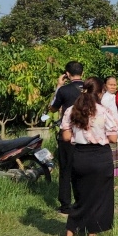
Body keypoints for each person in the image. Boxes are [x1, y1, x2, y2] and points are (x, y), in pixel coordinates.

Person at [58, 78, 118, 236]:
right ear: (100, 93)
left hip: (80, 157)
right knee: (100, 199)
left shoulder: (72, 109)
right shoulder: (104, 111)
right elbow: (113, 138)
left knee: (80, 198)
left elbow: (66, 136)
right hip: (100, 157)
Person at [49, 61, 85, 215]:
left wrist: (58, 85)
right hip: (87, 134)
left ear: (67, 74)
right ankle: (82, 201)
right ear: (82, 73)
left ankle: (65, 205)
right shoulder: (90, 88)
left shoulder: (64, 90)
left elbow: (53, 107)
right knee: (83, 169)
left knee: (66, 169)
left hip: (68, 133)